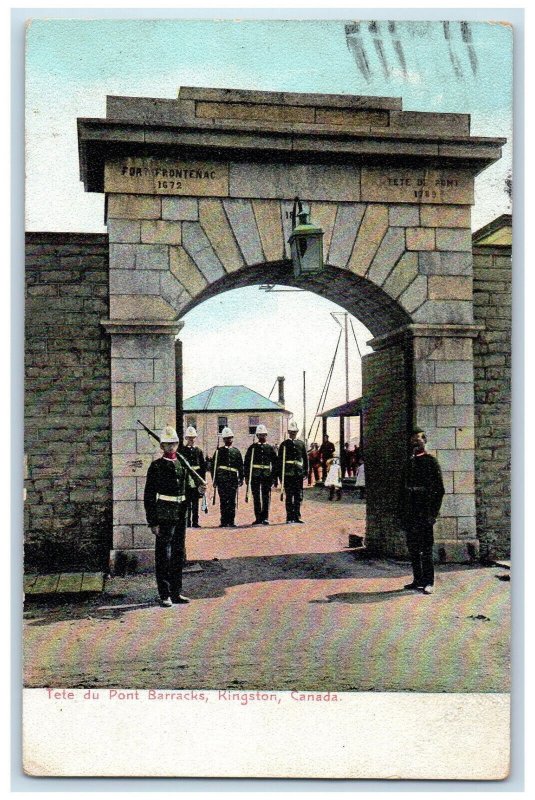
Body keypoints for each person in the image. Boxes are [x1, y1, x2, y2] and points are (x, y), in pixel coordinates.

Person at [143, 425, 205, 607]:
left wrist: (199, 491)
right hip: (163, 514)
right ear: (161, 446)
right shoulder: (156, 466)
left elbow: (188, 492)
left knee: (178, 554)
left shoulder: (181, 465)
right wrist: (152, 521)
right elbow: (148, 496)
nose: (171, 447)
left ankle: (176, 592)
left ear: (178, 445)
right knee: (164, 555)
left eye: (173, 444)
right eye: (167, 444)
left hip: (180, 514)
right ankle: (164, 594)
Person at [398, 429, 445, 595]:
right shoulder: (408, 463)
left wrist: (433, 514)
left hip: (424, 512)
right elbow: (401, 490)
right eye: (413, 440)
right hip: (410, 512)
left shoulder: (431, 462)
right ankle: (417, 579)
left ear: (425, 441)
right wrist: (401, 513)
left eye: (418, 439)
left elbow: (439, 490)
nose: (415, 442)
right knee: (413, 548)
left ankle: (429, 582)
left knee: (426, 548)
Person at [244, 424, 278, 525]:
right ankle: (258, 518)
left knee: (266, 496)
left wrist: (274, 477)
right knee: (256, 497)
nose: (262, 437)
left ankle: (265, 517)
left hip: (267, 475)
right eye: (260, 435)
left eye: (263, 435)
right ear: (257, 436)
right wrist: (247, 476)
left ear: (266, 435)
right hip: (255, 475)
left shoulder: (270, 448)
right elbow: (246, 463)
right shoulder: (252, 448)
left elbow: (275, 463)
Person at [212, 427, 244, 528]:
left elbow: (240, 466)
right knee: (223, 500)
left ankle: (231, 520)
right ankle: (224, 521)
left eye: (230, 438)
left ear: (232, 438)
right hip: (222, 479)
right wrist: (214, 479)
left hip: (233, 479)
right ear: (223, 440)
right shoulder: (218, 452)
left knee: (232, 500)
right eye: (226, 438)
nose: (228, 440)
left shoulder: (236, 451)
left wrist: (241, 478)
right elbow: (214, 466)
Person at [278, 420, 308, 524]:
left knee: (298, 496)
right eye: (291, 432)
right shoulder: (284, 445)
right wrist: (280, 476)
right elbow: (279, 461)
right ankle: (289, 517)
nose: (293, 433)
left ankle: (297, 517)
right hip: (288, 473)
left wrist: (305, 471)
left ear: (297, 432)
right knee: (289, 496)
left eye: (294, 432)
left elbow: (305, 458)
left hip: (298, 473)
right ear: (288, 432)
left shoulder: (301, 444)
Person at [179, 425, 207, 528]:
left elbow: (202, 467)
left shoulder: (198, 451)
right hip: (187, 478)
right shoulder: (182, 450)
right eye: (189, 438)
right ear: (186, 438)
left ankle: (195, 522)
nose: (191, 440)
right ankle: (188, 522)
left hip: (196, 478)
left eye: (193, 438)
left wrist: (203, 481)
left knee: (195, 502)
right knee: (187, 502)